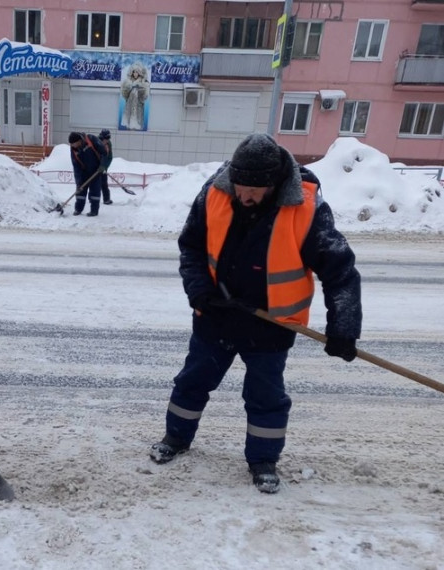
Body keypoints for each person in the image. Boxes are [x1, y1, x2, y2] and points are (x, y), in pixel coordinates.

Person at [149, 133, 362, 494]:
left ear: (274, 184)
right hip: (216, 314)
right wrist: (199, 291)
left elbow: (340, 271)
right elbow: (192, 248)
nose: (244, 195)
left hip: (272, 326)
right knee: (192, 381)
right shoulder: (216, 192)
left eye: (253, 190)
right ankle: (176, 436)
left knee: (266, 396)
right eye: (240, 185)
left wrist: (343, 326)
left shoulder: (306, 207)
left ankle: (263, 460)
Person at [68, 131, 108, 217]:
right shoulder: (73, 149)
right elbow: (76, 166)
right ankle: (78, 209)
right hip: (83, 171)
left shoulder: (91, 139)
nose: (72, 146)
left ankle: (94, 211)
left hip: (96, 170)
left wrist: (103, 165)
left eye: (74, 144)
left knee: (95, 191)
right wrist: (78, 182)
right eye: (71, 144)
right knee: (80, 190)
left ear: (79, 141)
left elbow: (104, 153)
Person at [98, 129, 114, 205]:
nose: (107, 140)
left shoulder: (108, 144)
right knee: (93, 183)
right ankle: (92, 199)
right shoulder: (96, 142)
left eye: (108, 139)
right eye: (105, 139)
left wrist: (105, 167)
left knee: (104, 183)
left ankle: (106, 199)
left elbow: (110, 157)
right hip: (95, 166)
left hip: (103, 167)